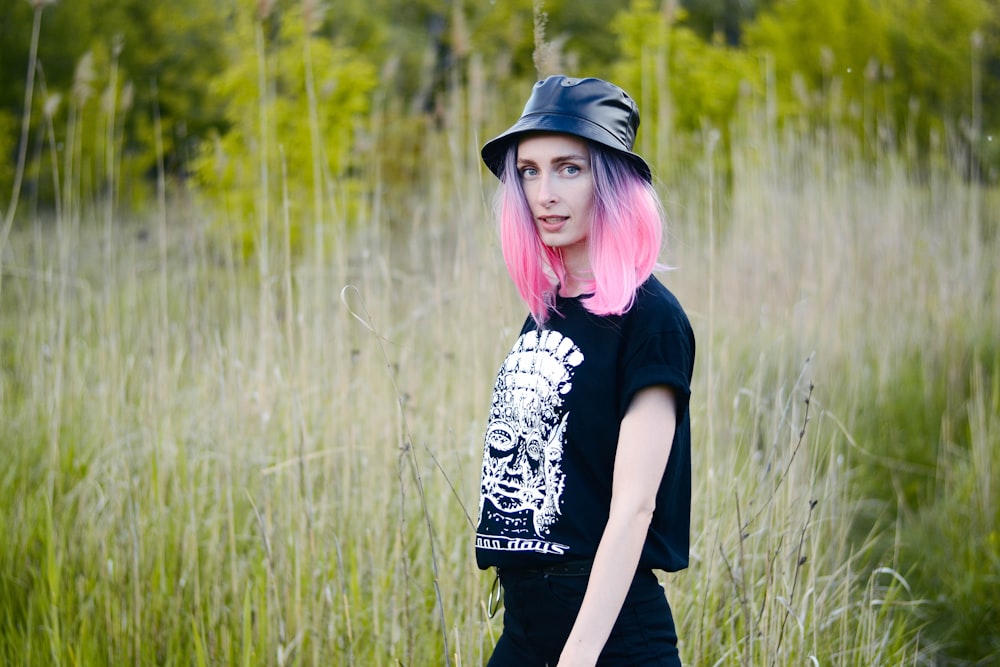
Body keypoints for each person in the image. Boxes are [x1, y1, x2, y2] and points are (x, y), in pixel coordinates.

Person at [475, 75, 696, 666]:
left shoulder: (651, 319)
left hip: (610, 640)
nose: (544, 192)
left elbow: (634, 507)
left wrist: (577, 658)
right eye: (529, 171)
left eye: (568, 168)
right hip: (526, 628)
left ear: (612, 182)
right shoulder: (546, 311)